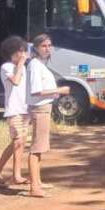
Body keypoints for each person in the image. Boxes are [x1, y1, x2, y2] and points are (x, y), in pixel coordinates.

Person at [26, 34, 71, 198]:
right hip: (39, 108)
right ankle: (34, 187)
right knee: (36, 148)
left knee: (40, 147)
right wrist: (60, 90)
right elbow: (36, 91)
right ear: (36, 48)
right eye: (43, 46)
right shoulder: (35, 65)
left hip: (44, 107)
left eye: (49, 45)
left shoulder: (39, 65)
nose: (47, 49)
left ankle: (37, 182)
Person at [0, 36, 31, 187]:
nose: (23, 54)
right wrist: (20, 64)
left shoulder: (22, 68)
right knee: (18, 142)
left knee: (19, 142)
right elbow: (16, 81)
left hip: (24, 109)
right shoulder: (6, 67)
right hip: (14, 110)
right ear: (13, 52)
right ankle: (16, 175)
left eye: (24, 51)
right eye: (21, 51)